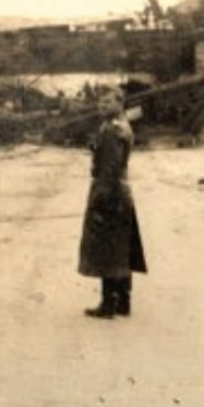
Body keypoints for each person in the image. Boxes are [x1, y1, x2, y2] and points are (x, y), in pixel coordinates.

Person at [78, 105, 147, 319]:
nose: (101, 104)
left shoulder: (110, 129)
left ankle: (108, 304)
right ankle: (123, 301)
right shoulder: (122, 125)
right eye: (99, 99)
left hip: (109, 192)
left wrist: (102, 197)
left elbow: (110, 166)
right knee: (122, 247)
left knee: (106, 248)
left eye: (107, 99)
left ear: (119, 101)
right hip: (122, 192)